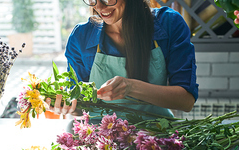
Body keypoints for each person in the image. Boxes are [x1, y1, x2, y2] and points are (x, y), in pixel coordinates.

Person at [46, 0, 199, 118]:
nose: (99, 7)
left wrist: (130, 87)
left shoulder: (170, 24)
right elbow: (80, 107)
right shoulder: (81, 37)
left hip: (156, 136)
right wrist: (67, 107)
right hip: (99, 141)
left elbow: (186, 101)